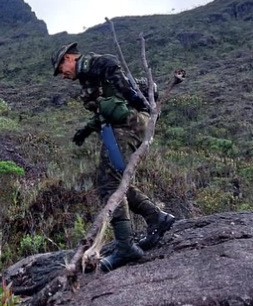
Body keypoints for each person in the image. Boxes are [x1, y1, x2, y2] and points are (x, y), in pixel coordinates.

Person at [51, 42, 175, 271]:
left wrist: (142, 105)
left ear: (68, 58)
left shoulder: (95, 64)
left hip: (127, 125)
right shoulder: (87, 79)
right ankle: (156, 217)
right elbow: (103, 109)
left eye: (61, 69)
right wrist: (86, 130)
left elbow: (118, 77)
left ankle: (126, 246)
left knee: (110, 183)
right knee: (113, 182)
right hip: (113, 129)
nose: (62, 75)